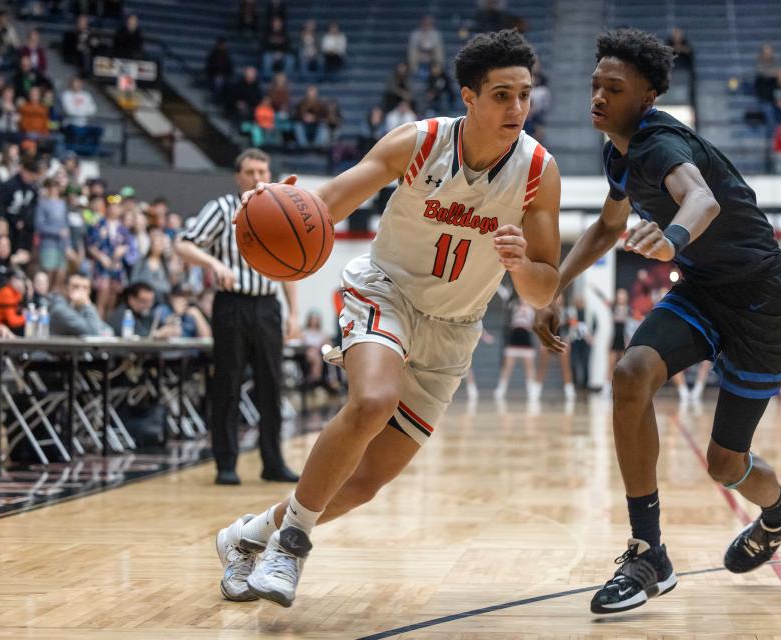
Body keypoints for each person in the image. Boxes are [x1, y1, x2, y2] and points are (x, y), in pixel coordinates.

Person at [214, 29, 561, 608]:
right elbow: (328, 205)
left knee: (366, 482)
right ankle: (290, 547)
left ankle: (250, 535)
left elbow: (545, 284)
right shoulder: (418, 143)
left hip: (455, 328)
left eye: (525, 95)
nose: (517, 108)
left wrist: (523, 266)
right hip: (386, 293)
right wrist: (276, 208)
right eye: (502, 95)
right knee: (372, 401)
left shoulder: (537, 171)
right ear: (468, 97)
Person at [533, 28, 781, 615]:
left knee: (725, 465)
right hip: (705, 292)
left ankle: (779, 510)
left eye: (614, 88)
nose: (598, 97)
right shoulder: (618, 152)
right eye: (595, 85)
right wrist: (555, 285)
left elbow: (701, 200)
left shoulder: (659, 143)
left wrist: (672, 237)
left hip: (764, 304)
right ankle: (648, 551)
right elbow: (607, 227)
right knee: (630, 374)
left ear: (647, 99)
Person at [175, 148, 300, 486]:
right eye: (250, 172)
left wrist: (294, 313)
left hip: (267, 307)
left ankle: (273, 462)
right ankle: (226, 463)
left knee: (272, 386)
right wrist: (214, 264)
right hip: (231, 304)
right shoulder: (221, 209)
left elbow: (290, 266)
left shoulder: (281, 211)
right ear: (238, 176)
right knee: (227, 384)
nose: (258, 177)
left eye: (263, 170)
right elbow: (183, 244)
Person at [493, 295, 538, 401]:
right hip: (514, 338)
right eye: (522, 298)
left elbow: (535, 325)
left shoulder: (532, 310)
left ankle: (531, 389)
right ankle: (501, 389)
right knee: (507, 366)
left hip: (526, 339)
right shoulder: (514, 308)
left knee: (529, 367)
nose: (524, 299)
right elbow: (508, 317)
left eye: (526, 298)